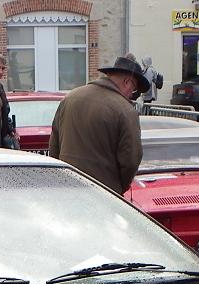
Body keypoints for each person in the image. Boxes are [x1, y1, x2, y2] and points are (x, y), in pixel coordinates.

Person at [49, 54, 147, 194]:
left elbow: (54, 146)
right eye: (134, 89)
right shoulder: (125, 110)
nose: (132, 95)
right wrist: (118, 187)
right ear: (127, 82)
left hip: (67, 188)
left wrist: (59, 179)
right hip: (103, 194)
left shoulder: (69, 98)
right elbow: (131, 160)